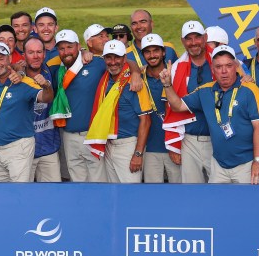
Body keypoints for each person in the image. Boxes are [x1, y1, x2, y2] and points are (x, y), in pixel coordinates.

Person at [161, 45, 259, 184]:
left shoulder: (251, 90)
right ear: (212, 69)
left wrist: (258, 161)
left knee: (247, 204)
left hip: (247, 164)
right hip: (219, 165)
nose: (224, 71)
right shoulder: (205, 91)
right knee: (217, 204)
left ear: (236, 66)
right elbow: (177, 106)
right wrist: (167, 84)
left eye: (228, 65)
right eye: (218, 67)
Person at [0, 42, 53, 182]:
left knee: (19, 193)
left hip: (18, 146)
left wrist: (46, 86)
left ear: (9, 58)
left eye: (1, 58)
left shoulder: (23, 82)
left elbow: (45, 98)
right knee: (1, 194)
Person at [91, 40, 152, 183]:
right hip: (109, 145)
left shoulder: (134, 83)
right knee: (114, 194)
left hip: (128, 147)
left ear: (124, 58)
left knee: (131, 195)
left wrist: (138, 154)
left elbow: (146, 120)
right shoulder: (105, 79)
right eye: (109, 57)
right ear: (104, 59)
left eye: (117, 57)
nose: (113, 62)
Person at [51, 29, 108, 181]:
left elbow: (123, 63)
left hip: (92, 135)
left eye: (69, 47)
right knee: (78, 185)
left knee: (98, 184)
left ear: (78, 46)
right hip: (69, 137)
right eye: (61, 48)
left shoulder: (96, 63)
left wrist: (135, 72)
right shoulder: (59, 72)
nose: (66, 52)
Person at [163, 21, 212, 183]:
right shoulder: (176, 68)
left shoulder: (221, 62)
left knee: (220, 191)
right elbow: (171, 108)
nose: (193, 43)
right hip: (190, 141)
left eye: (197, 37)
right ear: (183, 41)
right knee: (192, 192)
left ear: (205, 38)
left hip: (218, 139)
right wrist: (174, 143)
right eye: (188, 39)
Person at [141, 34, 181, 184]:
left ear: (163, 52)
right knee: (153, 195)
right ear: (143, 54)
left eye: (156, 51)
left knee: (179, 194)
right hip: (150, 148)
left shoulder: (176, 74)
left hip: (175, 145)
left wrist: (178, 146)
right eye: (148, 52)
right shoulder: (139, 77)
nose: (152, 55)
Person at [23, 37, 61, 182]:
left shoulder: (52, 70)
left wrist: (83, 51)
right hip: (25, 150)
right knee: (25, 196)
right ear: (24, 55)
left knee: (53, 194)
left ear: (45, 53)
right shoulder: (15, 76)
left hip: (48, 147)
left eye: (39, 52)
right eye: (31, 52)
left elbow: (74, 57)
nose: (36, 56)